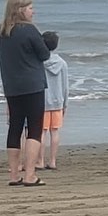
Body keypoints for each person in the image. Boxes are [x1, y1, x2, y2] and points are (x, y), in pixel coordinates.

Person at [0, 0, 50, 186]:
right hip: (32, 85)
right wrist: (47, 42)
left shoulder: (2, 31)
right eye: (29, 8)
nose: (32, 11)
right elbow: (44, 54)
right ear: (20, 10)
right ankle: (29, 175)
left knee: (15, 128)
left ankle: (14, 175)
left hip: (12, 86)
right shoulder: (29, 30)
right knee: (34, 129)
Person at [38, 31, 68, 170]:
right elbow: (65, 85)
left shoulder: (38, 61)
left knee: (41, 132)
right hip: (57, 102)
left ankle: (41, 161)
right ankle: (53, 161)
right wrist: (65, 104)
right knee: (55, 132)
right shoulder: (62, 63)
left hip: (42, 102)